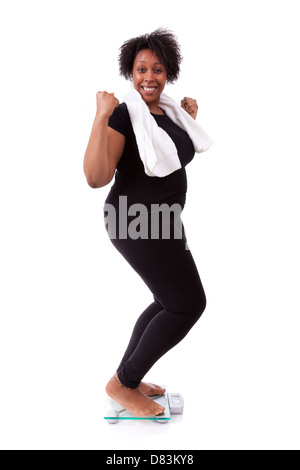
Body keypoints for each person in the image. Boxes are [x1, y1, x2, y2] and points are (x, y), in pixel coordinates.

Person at [83, 29, 212, 417]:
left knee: (169, 300)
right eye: (141, 69)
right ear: (130, 71)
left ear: (168, 72)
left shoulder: (164, 112)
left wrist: (185, 119)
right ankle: (122, 385)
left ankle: (129, 378)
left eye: (157, 69)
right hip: (136, 220)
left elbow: (164, 154)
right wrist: (101, 115)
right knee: (187, 304)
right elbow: (95, 176)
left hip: (162, 220)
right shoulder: (124, 114)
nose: (149, 77)